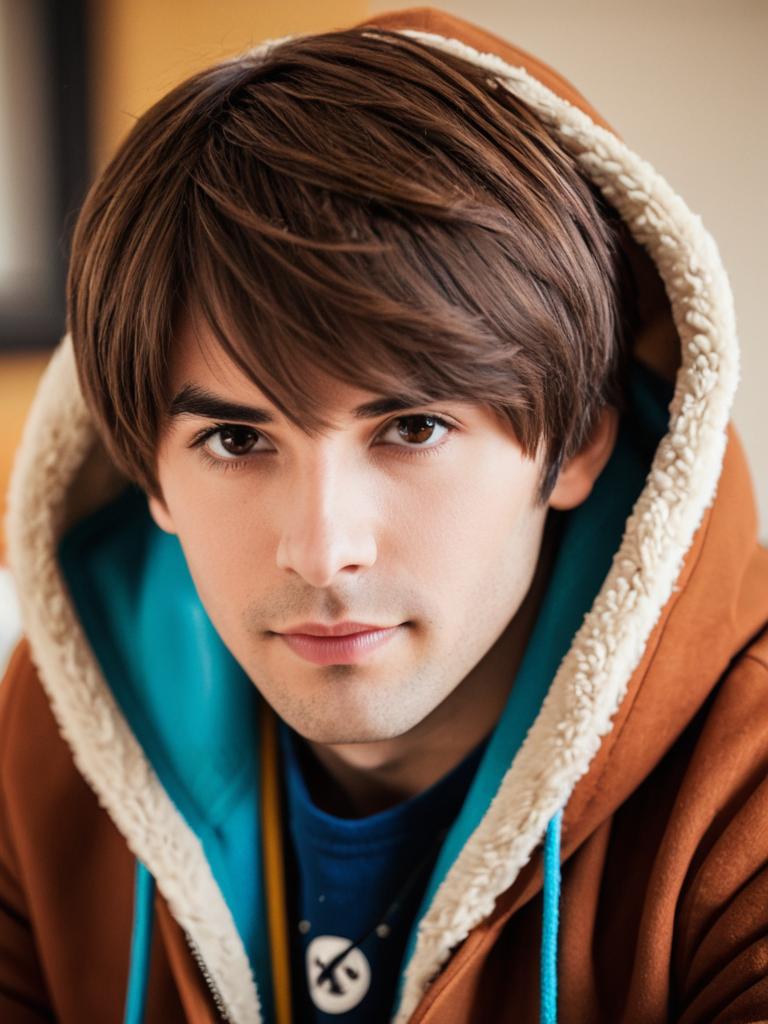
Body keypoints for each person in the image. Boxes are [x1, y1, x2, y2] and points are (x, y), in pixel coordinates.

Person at [2, 6, 767, 1023]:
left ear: (578, 437)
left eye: (411, 427)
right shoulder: (57, 724)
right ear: (148, 466)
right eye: (236, 440)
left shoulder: (746, 774)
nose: (323, 550)